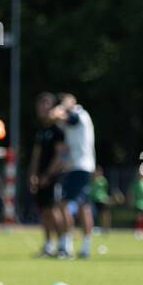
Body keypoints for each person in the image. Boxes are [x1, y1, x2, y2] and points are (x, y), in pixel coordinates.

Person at [53, 93, 96, 259]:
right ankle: (84, 247)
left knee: (64, 204)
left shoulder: (79, 114)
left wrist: (62, 107)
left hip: (79, 166)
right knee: (83, 207)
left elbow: (63, 117)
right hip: (78, 166)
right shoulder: (71, 117)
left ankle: (67, 246)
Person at [28, 92, 66, 257]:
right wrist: (33, 174)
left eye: (45, 105)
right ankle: (48, 245)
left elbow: (60, 156)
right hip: (41, 176)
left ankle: (63, 245)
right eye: (40, 104)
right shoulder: (41, 131)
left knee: (53, 209)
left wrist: (47, 175)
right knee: (43, 210)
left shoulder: (58, 131)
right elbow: (36, 155)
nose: (41, 108)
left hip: (53, 176)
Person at [88, 166, 111, 234]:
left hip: (102, 200)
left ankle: (106, 229)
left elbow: (106, 190)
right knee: (91, 215)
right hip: (93, 200)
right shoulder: (91, 180)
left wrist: (106, 198)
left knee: (105, 214)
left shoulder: (103, 180)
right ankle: (91, 228)